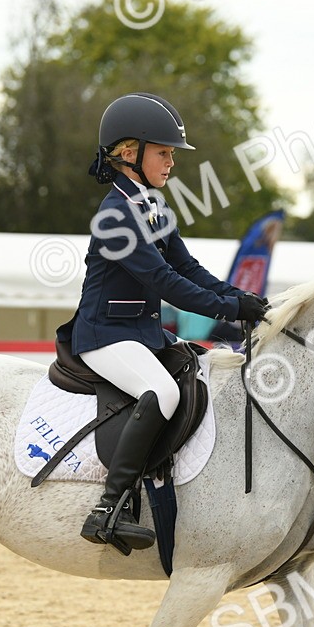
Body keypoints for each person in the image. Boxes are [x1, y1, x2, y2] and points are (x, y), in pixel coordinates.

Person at [57, 92, 270, 553]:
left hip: (143, 333)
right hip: (105, 336)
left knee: (205, 374)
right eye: (165, 152)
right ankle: (108, 508)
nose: (172, 162)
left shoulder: (153, 206)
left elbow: (189, 269)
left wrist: (245, 298)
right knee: (162, 392)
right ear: (129, 153)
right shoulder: (116, 217)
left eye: (173, 154)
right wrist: (230, 311)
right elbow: (166, 283)